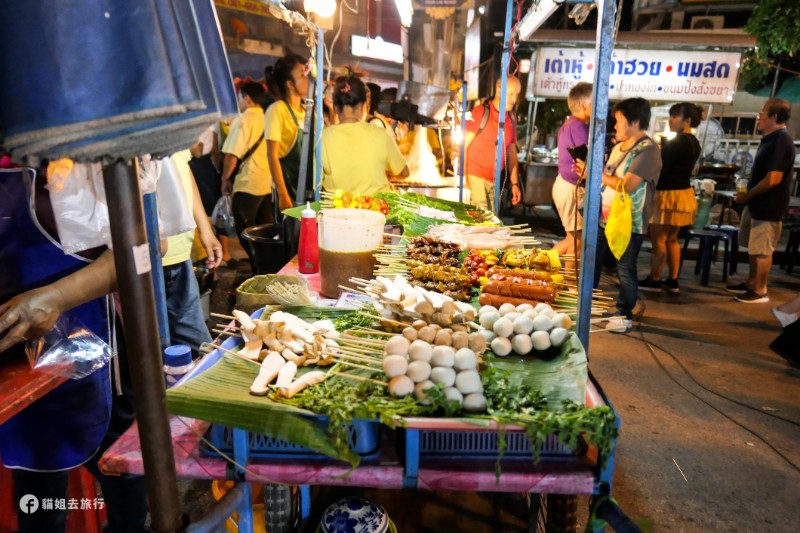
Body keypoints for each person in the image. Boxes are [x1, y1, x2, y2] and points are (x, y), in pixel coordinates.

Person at [0, 166, 147, 533]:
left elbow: (142, 249)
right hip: (11, 366)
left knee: (119, 468)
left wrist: (54, 299)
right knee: (36, 490)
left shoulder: (76, 154)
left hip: (85, 343)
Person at [578, 98, 662, 333]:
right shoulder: (618, 147)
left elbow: (628, 185)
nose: (615, 126)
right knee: (592, 262)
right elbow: (607, 177)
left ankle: (624, 313)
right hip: (604, 216)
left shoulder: (649, 150)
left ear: (635, 122)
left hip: (629, 222)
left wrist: (592, 174)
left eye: (619, 121)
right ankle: (588, 303)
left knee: (625, 269)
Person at [726, 98, 795, 303]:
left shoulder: (781, 140)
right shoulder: (770, 139)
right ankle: (751, 283)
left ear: (774, 116)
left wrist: (747, 195)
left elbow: (774, 178)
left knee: (763, 250)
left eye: (762, 112)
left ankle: (760, 290)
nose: (758, 116)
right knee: (754, 248)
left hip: (770, 205)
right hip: (758, 204)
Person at [164, 150, 223, 355]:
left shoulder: (174, 126)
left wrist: (205, 229)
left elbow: (185, 170)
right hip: (148, 262)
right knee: (159, 352)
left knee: (199, 347)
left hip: (181, 254)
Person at [639, 103, 702, 293]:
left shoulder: (675, 142)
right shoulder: (694, 142)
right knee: (672, 240)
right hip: (683, 194)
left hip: (666, 195)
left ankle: (655, 279)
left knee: (658, 239)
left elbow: (660, 169)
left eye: (675, 117)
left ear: (687, 120)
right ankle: (673, 280)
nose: (670, 120)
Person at [321, 74, 409, 196]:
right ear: (363, 106)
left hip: (336, 210)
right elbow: (404, 172)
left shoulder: (323, 137)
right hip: (374, 211)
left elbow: (316, 179)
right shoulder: (380, 135)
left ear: (336, 107)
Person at [220, 81, 272, 266]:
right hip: (268, 183)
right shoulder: (268, 118)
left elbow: (232, 155)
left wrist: (225, 180)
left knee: (245, 231)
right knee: (266, 231)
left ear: (247, 98)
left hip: (248, 183)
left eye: (240, 97)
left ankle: (258, 267)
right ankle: (267, 266)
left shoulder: (244, 119)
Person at [464, 76, 523, 211]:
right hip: (475, 178)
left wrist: (514, 183)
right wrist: (465, 182)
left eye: (517, 95)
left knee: (491, 223)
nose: (514, 99)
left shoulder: (511, 118)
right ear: (499, 90)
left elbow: (512, 153)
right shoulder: (481, 112)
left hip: (493, 182)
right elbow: (463, 147)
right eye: (511, 94)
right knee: (481, 223)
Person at [552, 82, 592, 257]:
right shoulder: (578, 127)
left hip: (567, 186)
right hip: (572, 188)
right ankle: (536, 266)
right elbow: (588, 160)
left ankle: (567, 282)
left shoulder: (571, 124)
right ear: (584, 105)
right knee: (576, 242)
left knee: (573, 240)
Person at [264, 53, 309, 210]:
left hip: (309, 191)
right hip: (289, 190)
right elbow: (272, 155)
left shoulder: (308, 111)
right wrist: (283, 194)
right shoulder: (277, 110)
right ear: (290, 84)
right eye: (302, 75)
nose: (307, 78)